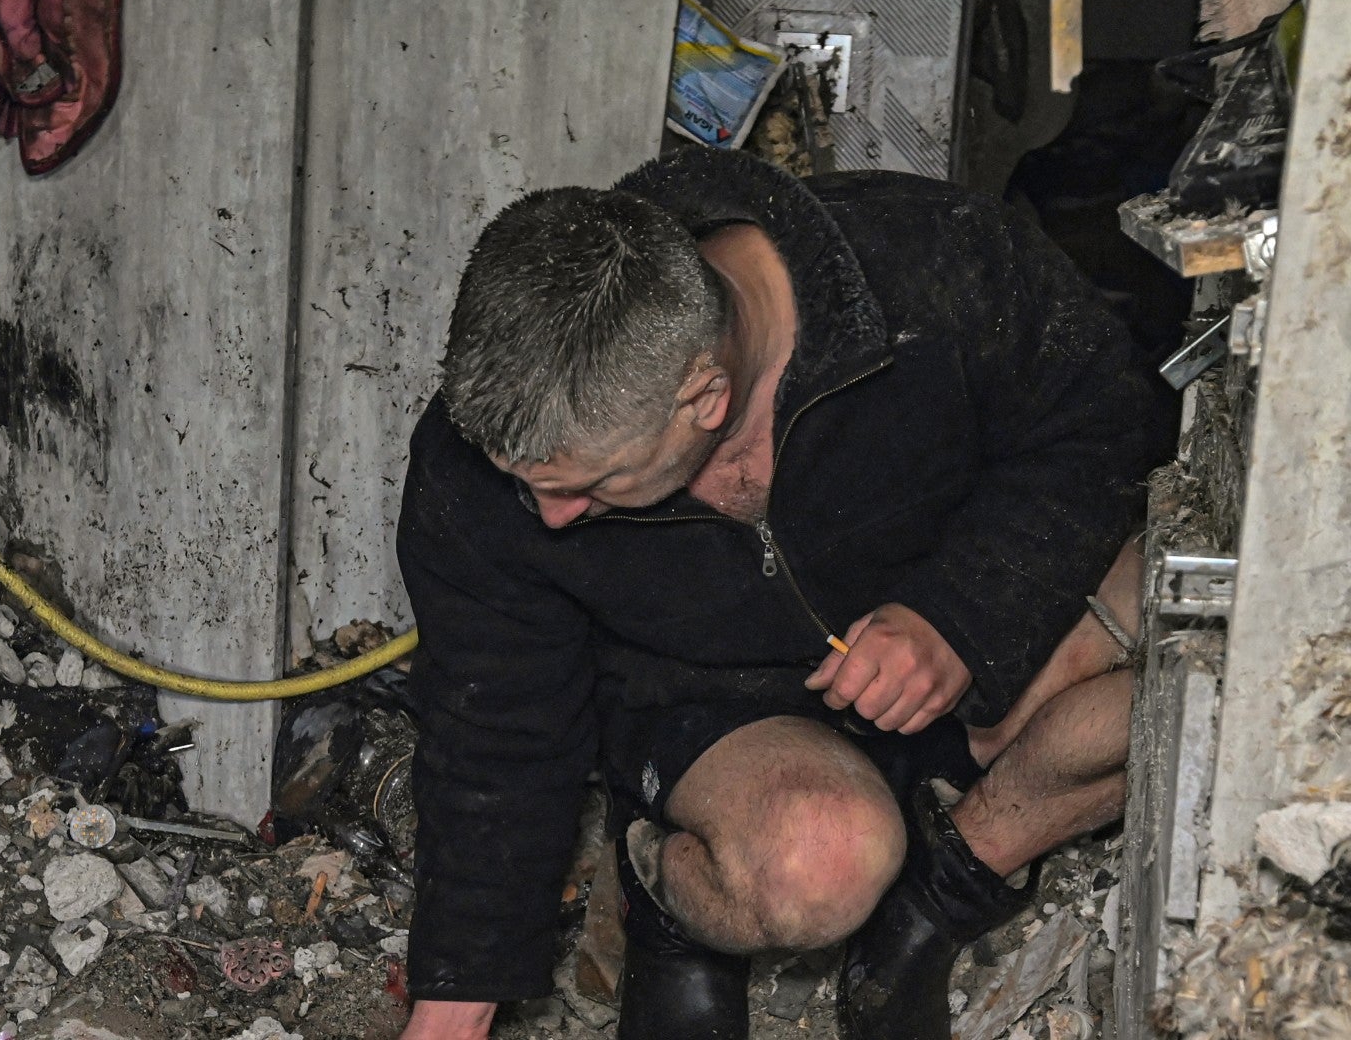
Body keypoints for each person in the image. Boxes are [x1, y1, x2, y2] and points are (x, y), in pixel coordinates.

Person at [392, 146, 1174, 1040]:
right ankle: (667, 888)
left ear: (706, 397)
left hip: (955, 628)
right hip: (717, 701)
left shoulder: (939, 262)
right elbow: (496, 725)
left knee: (1179, 658)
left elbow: (1107, 430)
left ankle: (946, 887)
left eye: (593, 485)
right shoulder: (474, 470)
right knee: (821, 860)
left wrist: (957, 615)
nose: (554, 517)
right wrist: (457, 998)